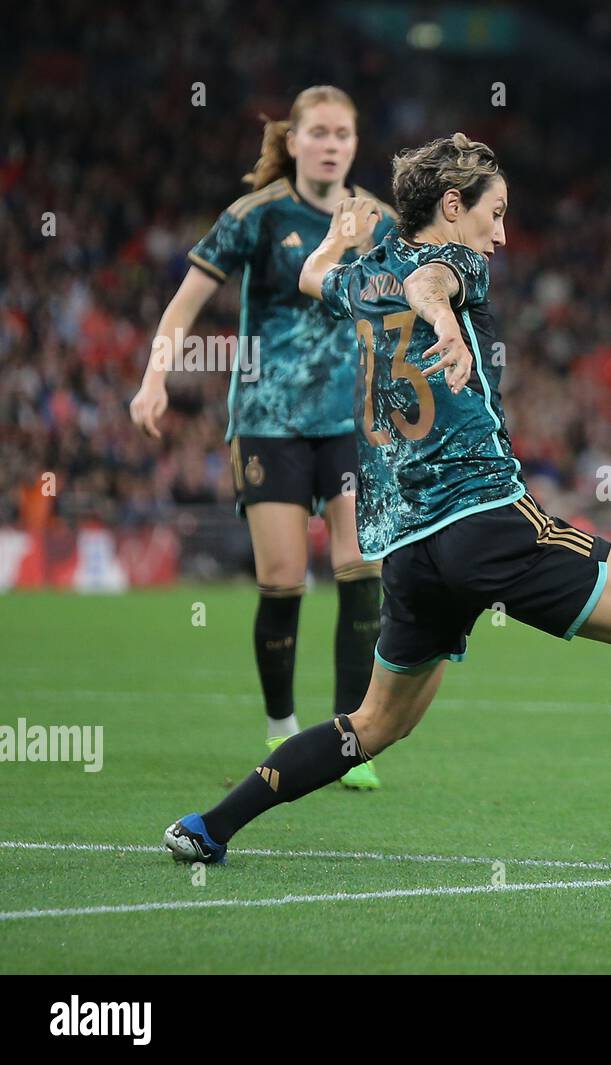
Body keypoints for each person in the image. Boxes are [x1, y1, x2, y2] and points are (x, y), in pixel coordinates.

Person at [163, 133, 611, 864]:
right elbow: (433, 285)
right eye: (495, 213)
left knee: (373, 723)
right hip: (487, 523)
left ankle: (208, 825)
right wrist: (445, 323)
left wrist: (340, 240)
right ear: (452, 206)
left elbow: (315, 276)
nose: (502, 234)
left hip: (411, 552)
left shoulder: (366, 276)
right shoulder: (454, 263)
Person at [130, 86, 394, 789]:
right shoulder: (256, 214)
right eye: (319, 132)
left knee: (361, 567)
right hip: (267, 423)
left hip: (351, 424)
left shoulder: (381, 220)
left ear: (355, 144)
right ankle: (281, 726)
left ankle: (348, 736)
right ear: (296, 140)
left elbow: (410, 305)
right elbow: (183, 306)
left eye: (344, 133)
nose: (332, 143)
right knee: (282, 579)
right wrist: (155, 378)